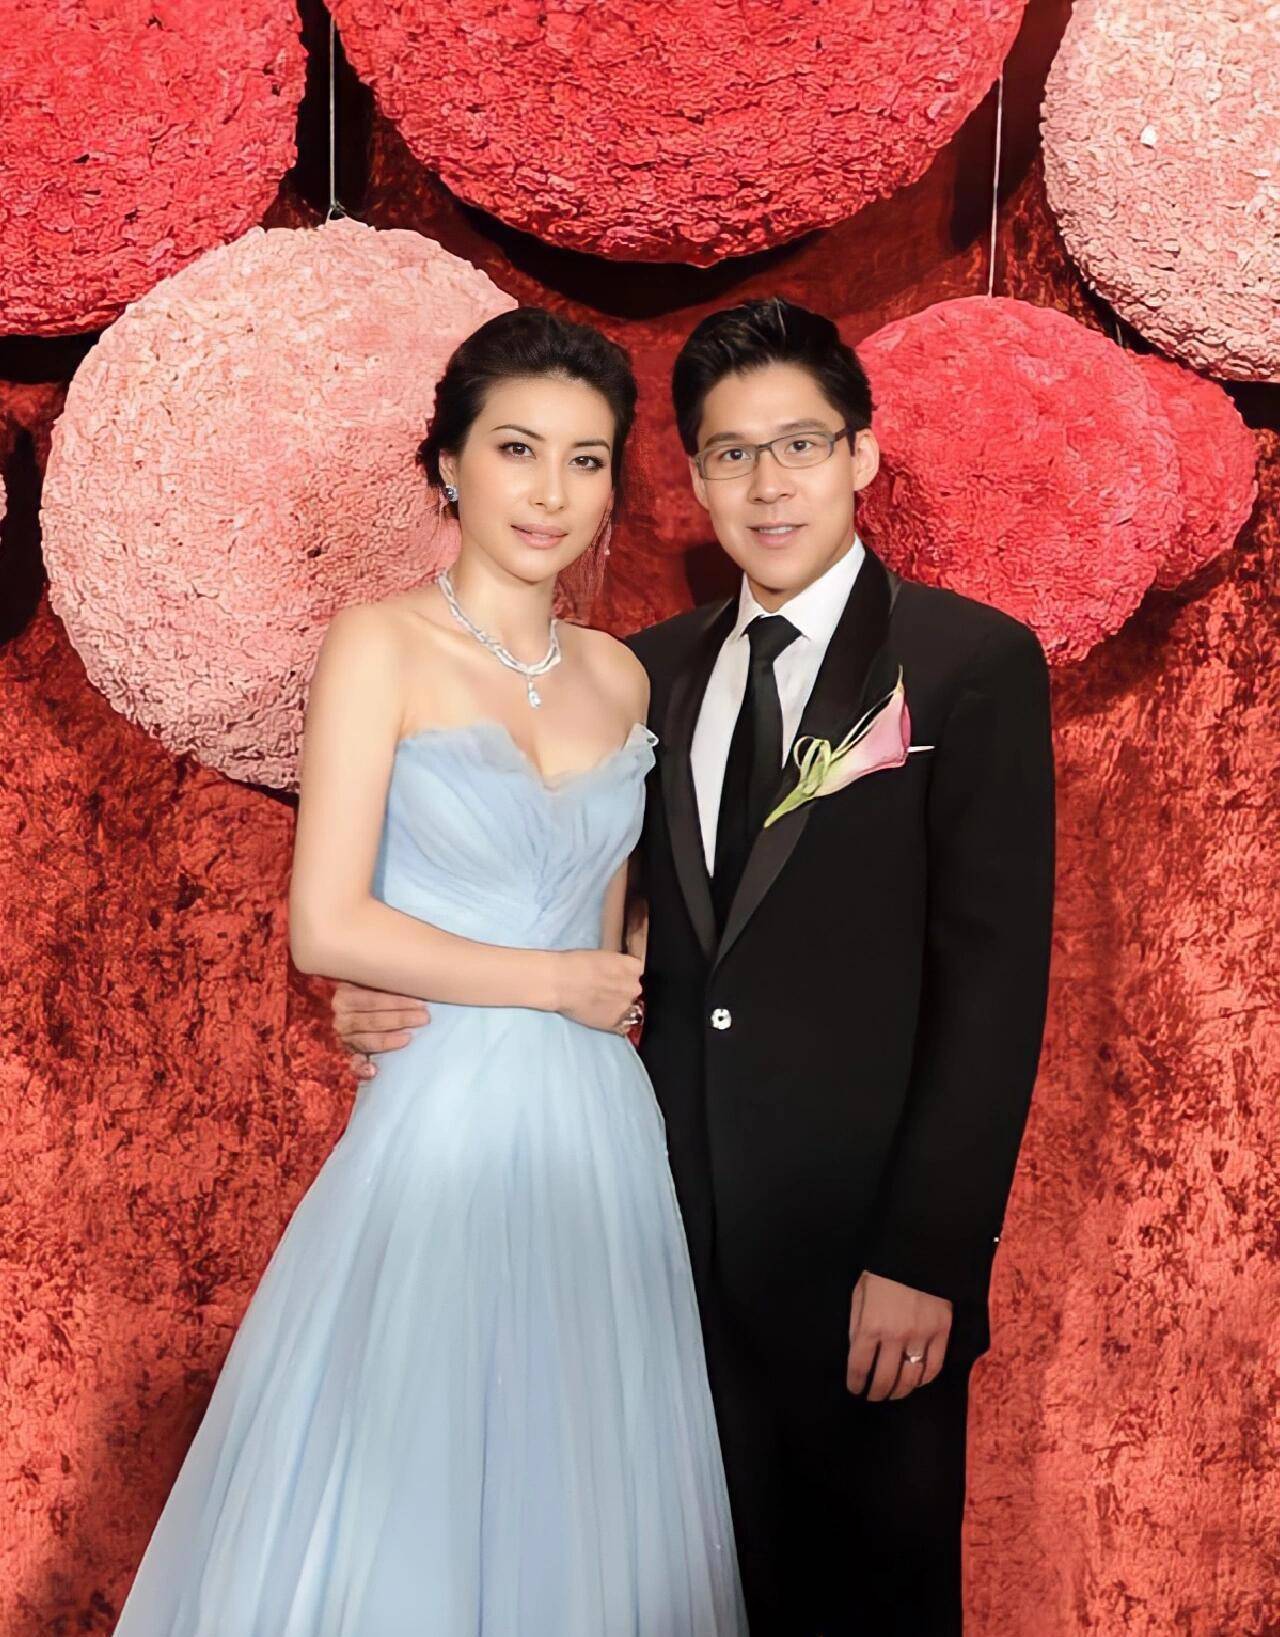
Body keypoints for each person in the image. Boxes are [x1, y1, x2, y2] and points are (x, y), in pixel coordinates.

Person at [337, 296, 1057, 1635]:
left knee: (874, 1603)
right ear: (695, 478)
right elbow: (589, 910)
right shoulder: (642, 676)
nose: (768, 483)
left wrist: (928, 1251)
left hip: (860, 1261)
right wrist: (390, 981)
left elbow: (996, 982)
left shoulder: (968, 664)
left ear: (862, 453)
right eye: (731, 453)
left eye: (800, 444)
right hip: (647, 1240)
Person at [114, 307, 746, 1636]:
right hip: (444, 1115)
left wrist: (604, 970)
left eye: (585, 459)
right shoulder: (381, 644)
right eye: (517, 448)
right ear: (449, 464)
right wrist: (551, 983)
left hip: (598, 1130)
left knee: (581, 1492)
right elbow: (328, 925)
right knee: (415, 1478)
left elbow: (609, 922)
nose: (551, 491)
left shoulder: (621, 679)